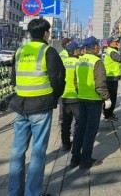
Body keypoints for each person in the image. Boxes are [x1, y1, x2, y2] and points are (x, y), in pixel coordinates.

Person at [8, 18, 65, 196]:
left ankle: (14, 192)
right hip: (40, 107)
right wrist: (54, 96)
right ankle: (33, 192)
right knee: (38, 152)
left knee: (17, 152)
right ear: (46, 33)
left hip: (20, 105)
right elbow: (58, 79)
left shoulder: (20, 51)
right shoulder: (48, 51)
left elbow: (13, 78)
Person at [70, 36, 111, 169]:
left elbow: (75, 81)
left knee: (80, 129)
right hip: (93, 100)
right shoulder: (97, 61)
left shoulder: (79, 60)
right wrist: (106, 98)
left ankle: (75, 158)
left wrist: (80, 91)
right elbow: (100, 84)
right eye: (98, 46)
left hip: (81, 98)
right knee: (90, 130)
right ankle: (86, 159)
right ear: (94, 47)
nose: (99, 48)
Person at [60, 42, 81, 151]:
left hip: (65, 96)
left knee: (66, 122)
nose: (79, 51)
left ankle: (65, 144)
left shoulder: (63, 62)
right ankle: (77, 144)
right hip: (75, 96)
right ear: (74, 51)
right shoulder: (78, 62)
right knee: (79, 121)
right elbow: (80, 80)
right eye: (77, 49)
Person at [103, 36, 121, 121]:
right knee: (112, 97)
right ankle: (108, 115)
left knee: (111, 96)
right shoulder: (112, 51)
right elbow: (120, 59)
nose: (117, 43)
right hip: (111, 78)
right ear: (110, 43)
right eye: (115, 42)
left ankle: (108, 113)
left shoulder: (111, 51)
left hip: (111, 77)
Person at [58, 38, 71, 126]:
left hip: (65, 79)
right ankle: (62, 118)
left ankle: (62, 118)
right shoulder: (66, 54)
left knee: (63, 101)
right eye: (70, 43)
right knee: (63, 101)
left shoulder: (61, 54)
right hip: (66, 79)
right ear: (66, 44)